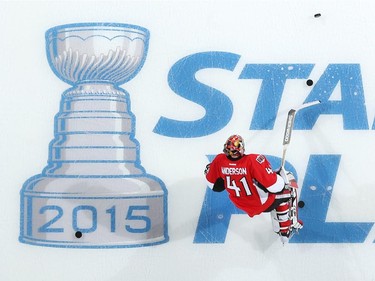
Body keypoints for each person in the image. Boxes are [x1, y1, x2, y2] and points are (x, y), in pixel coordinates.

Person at [204, 134, 303, 243]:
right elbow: (276, 187)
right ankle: (287, 229)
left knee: (270, 192)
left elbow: (214, 186)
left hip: (240, 203)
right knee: (289, 186)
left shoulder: (219, 160)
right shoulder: (252, 160)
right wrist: (279, 177)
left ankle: (280, 224)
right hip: (260, 203)